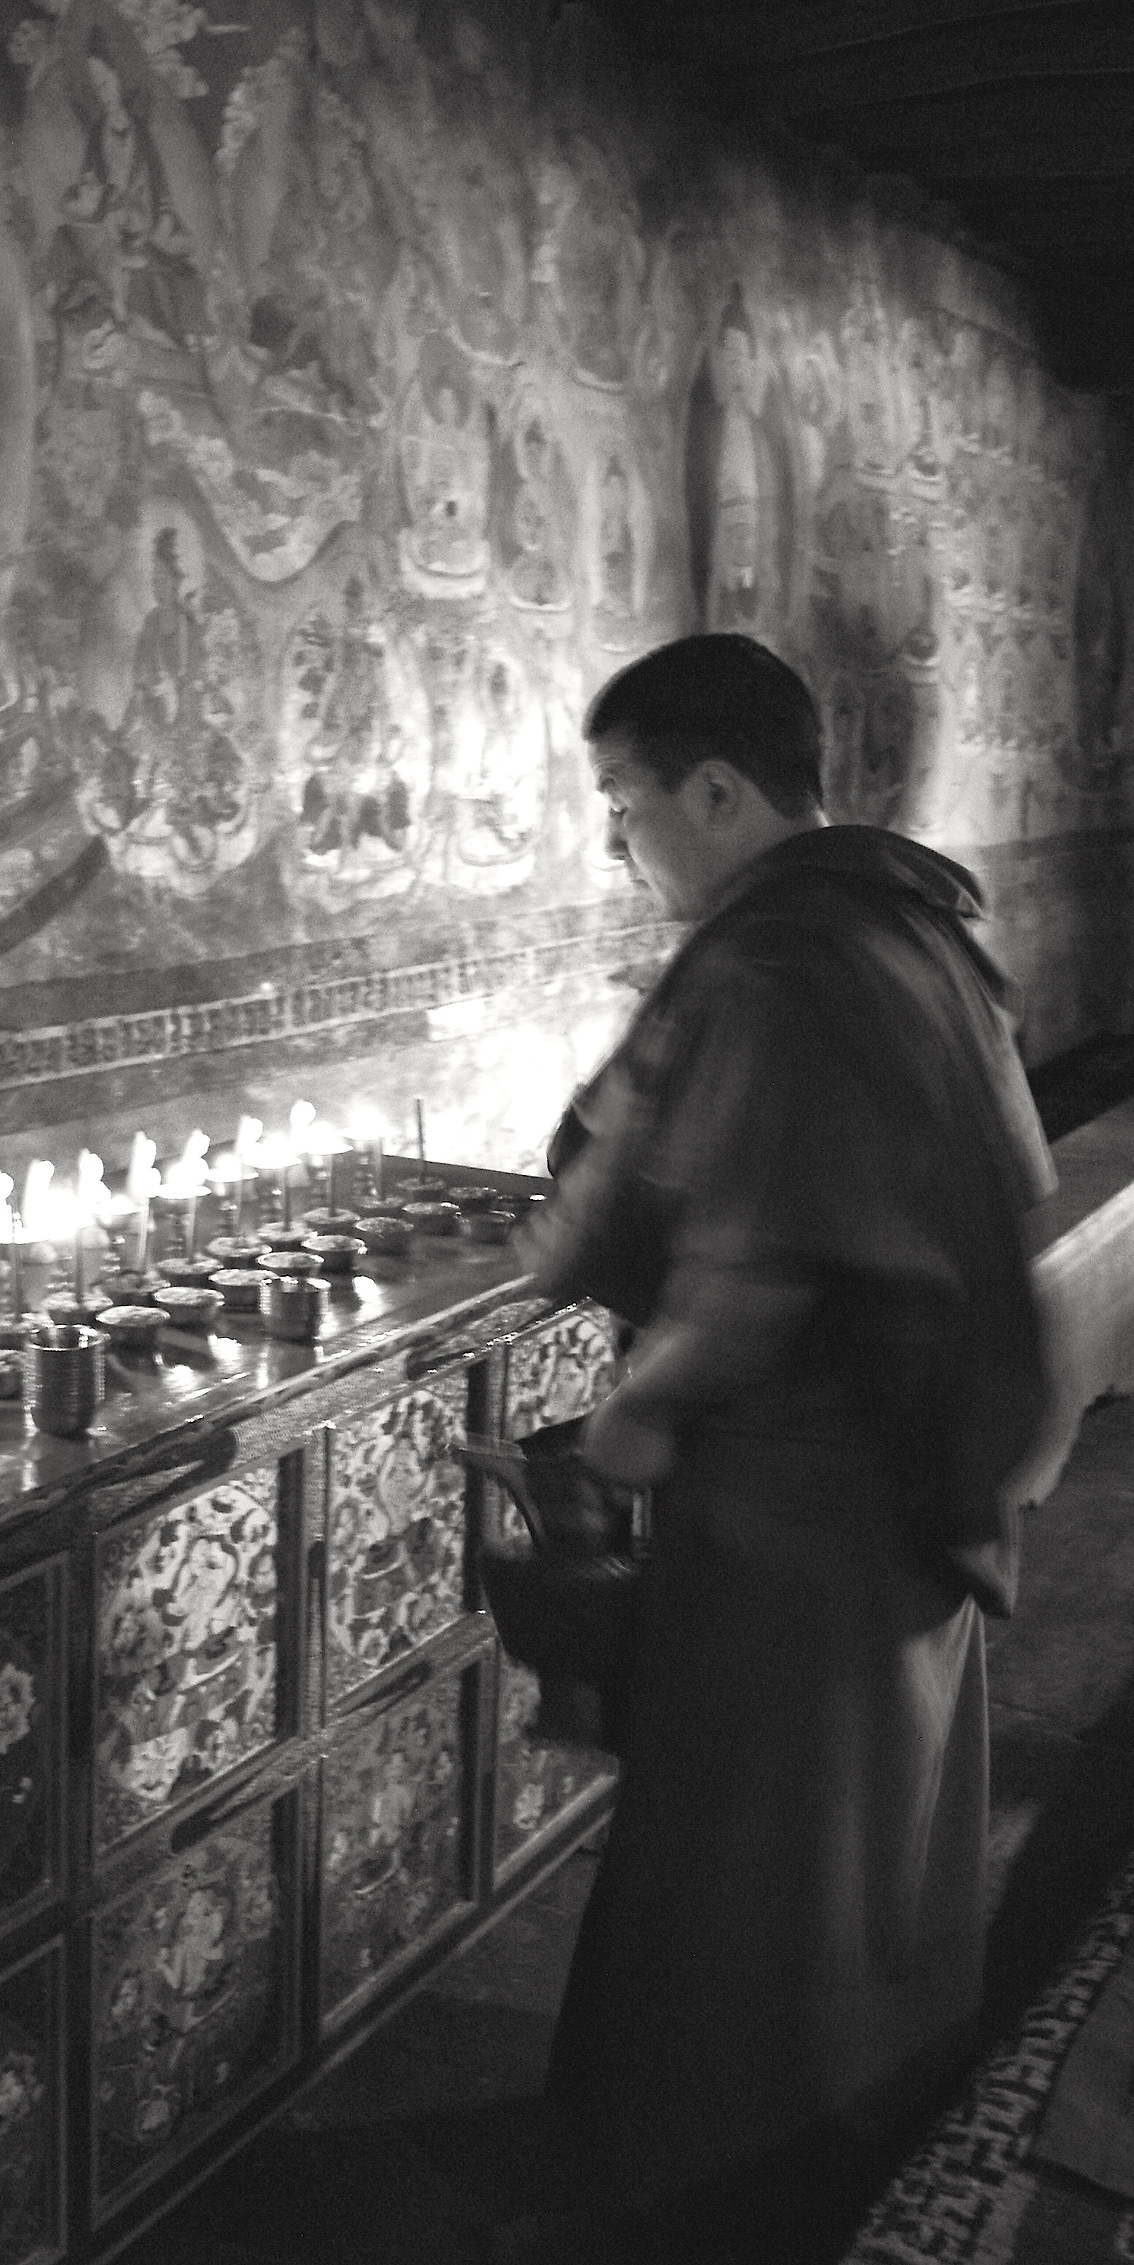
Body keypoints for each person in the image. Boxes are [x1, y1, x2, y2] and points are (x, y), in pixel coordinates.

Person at [515, 632, 1056, 2261]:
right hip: (907, 1476)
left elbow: (754, 1266)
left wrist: (630, 1416)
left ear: (718, 788)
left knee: (760, 1865)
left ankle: (728, 2189)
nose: (618, 844)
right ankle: (866, 2117)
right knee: (866, 1842)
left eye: (623, 801)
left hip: (797, 1510)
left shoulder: (777, 965)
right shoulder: (904, 924)